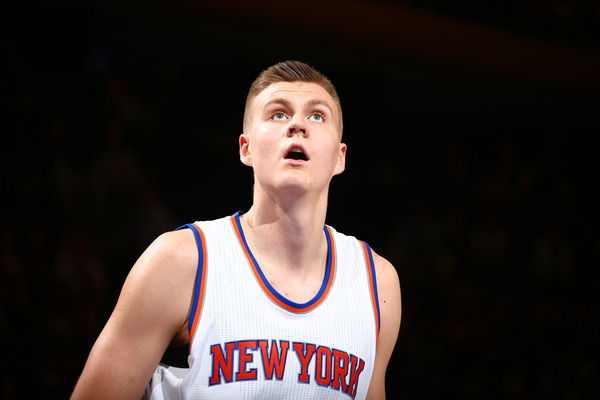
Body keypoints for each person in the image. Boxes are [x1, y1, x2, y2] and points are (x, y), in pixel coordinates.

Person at [71, 60, 401, 400]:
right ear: (246, 149)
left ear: (340, 158)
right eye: (278, 114)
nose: (298, 125)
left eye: (317, 116)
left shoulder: (377, 283)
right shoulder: (182, 261)